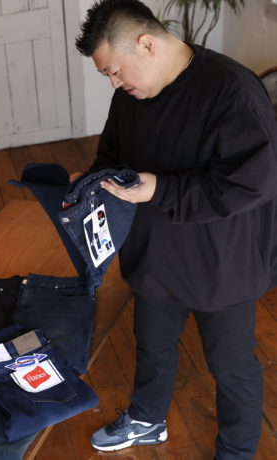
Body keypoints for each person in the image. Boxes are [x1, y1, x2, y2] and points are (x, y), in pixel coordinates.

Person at [74, 1, 277, 459]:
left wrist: (161, 188)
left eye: (114, 71)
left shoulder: (231, 89)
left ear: (146, 43)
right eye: (107, 75)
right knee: (153, 345)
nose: (114, 83)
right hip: (155, 252)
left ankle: (237, 452)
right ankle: (147, 419)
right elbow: (111, 154)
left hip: (221, 262)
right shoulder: (130, 94)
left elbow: (252, 184)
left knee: (231, 366)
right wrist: (94, 182)